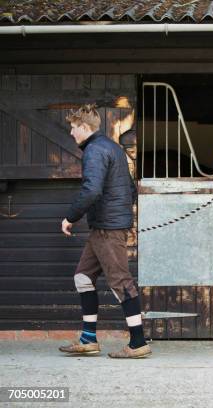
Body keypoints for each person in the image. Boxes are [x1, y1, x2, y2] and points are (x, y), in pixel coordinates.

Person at [58, 104, 151, 359]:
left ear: (85, 128)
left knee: (121, 282)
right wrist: (119, 214)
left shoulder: (94, 150)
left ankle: (138, 342)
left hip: (108, 229)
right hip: (105, 227)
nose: (71, 133)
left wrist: (70, 217)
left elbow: (91, 190)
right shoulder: (112, 148)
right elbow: (130, 190)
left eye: (73, 128)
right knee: (83, 277)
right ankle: (89, 339)